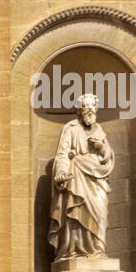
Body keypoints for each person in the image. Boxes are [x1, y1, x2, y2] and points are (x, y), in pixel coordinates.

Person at [49, 93, 113, 260]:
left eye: (93, 107)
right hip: (77, 176)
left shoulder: (99, 130)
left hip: (97, 178)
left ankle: (97, 251)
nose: (90, 110)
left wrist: (101, 148)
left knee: (100, 215)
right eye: (86, 106)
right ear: (79, 110)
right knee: (75, 212)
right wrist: (62, 172)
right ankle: (73, 251)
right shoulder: (70, 128)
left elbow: (109, 156)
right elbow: (62, 154)